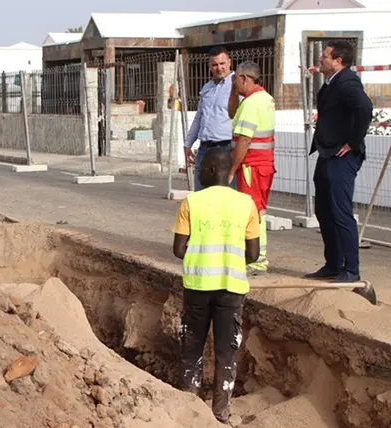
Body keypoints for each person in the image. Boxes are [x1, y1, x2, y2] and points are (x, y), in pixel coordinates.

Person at [171, 148, 260, 423]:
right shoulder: (246, 204)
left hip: (197, 285)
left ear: (210, 171)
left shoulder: (191, 203)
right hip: (231, 288)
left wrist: (201, 253)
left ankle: (188, 403)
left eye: (200, 169)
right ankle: (220, 412)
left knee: (192, 346)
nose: (197, 173)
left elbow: (178, 248)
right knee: (225, 352)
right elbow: (254, 254)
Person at [305, 40, 373, 283]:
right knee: (323, 209)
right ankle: (333, 263)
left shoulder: (347, 82)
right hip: (327, 153)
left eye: (325, 56)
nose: (320, 59)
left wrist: (352, 142)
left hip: (342, 156)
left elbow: (365, 108)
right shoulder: (332, 83)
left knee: (341, 211)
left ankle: (351, 270)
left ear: (338, 60)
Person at [228, 61, 276, 275]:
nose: (234, 81)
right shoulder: (264, 98)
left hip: (251, 165)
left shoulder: (251, 104)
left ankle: (256, 260)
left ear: (244, 78)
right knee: (257, 210)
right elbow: (232, 113)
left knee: (252, 212)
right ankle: (255, 256)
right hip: (262, 164)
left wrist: (231, 169)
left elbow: (244, 141)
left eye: (236, 78)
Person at [184, 46, 240, 191]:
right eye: (215, 65)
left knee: (227, 194)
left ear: (229, 63)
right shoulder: (207, 87)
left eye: (222, 64)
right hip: (205, 148)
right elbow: (199, 117)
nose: (219, 68)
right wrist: (188, 143)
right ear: (209, 66)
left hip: (227, 148)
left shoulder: (237, 86)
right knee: (200, 193)